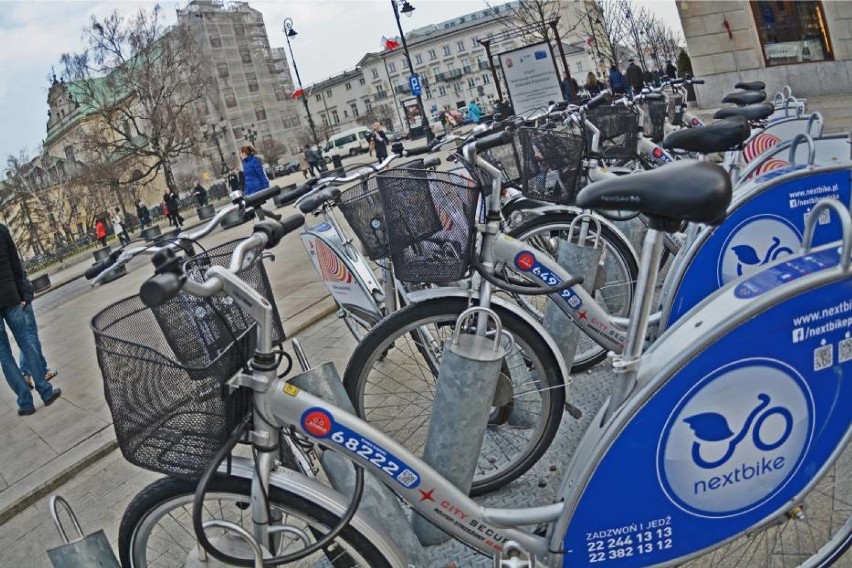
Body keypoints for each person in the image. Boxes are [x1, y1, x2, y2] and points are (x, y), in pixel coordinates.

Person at [0, 223, 60, 416]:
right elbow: (15, 264)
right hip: (10, 296)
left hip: (9, 297)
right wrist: (22, 291)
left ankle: (25, 403)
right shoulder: (1, 230)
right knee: (26, 342)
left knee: (3, 353)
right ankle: (46, 391)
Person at [19, 277, 58, 390]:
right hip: (19, 297)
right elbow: (17, 272)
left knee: (25, 338)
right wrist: (26, 293)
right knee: (30, 336)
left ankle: (28, 374)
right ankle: (40, 371)